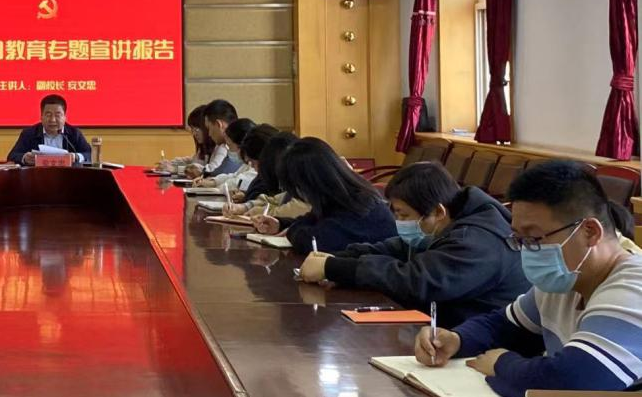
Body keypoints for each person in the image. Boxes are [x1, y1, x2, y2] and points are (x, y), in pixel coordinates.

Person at [413, 161, 642, 396]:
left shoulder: (634, 288)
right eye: (520, 239)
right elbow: (503, 325)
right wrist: (456, 339)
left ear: (590, 232)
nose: (527, 251)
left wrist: (501, 363)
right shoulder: (566, 278)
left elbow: (574, 380)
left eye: (534, 238)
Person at [297, 161, 529, 328]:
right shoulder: (446, 225)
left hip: (483, 341)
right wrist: (335, 258)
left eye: (404, 215)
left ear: (438, 212)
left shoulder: (478, 241)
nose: (399, 222)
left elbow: (418, 281)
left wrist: (336, 268)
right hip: (445, 329)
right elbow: (395, 248)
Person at [251, 137, 396, 254]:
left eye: (298, 188)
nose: (300, 195)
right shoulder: (340, 198)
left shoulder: (360, 205)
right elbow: (313, 220)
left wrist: (293, 230)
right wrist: (281, 224)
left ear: (313, 182)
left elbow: (314, 241)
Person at [224, 131, 311, 219]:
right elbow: (274, 201)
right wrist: (245, 207)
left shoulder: (306, 183)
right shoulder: (293, 185)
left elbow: (293, 209)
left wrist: (260, 212)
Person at [7, 94, 92, 166]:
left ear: (65, 117)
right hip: (37, 177)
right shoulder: (29, 133)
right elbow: (12, 156)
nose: (53, 120)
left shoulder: (74, 133)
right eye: (48, 115)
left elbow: (90, 154)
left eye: (57, 115)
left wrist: (76, 156)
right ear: (41, 117)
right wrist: (25, 158)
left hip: (67, 177)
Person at [194, 122, 273, 190]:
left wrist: (217, 187)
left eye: (229, 145)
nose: (209, 134)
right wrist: (213, 182)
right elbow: (234, 176)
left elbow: (238, 182)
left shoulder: (261, 166)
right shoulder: (250, 163)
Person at [200, 100, 243, 177]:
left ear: (218, 124)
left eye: (209, 128)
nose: (209, 134)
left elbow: (218, 174)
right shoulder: (228, 146)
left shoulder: (237, 149)